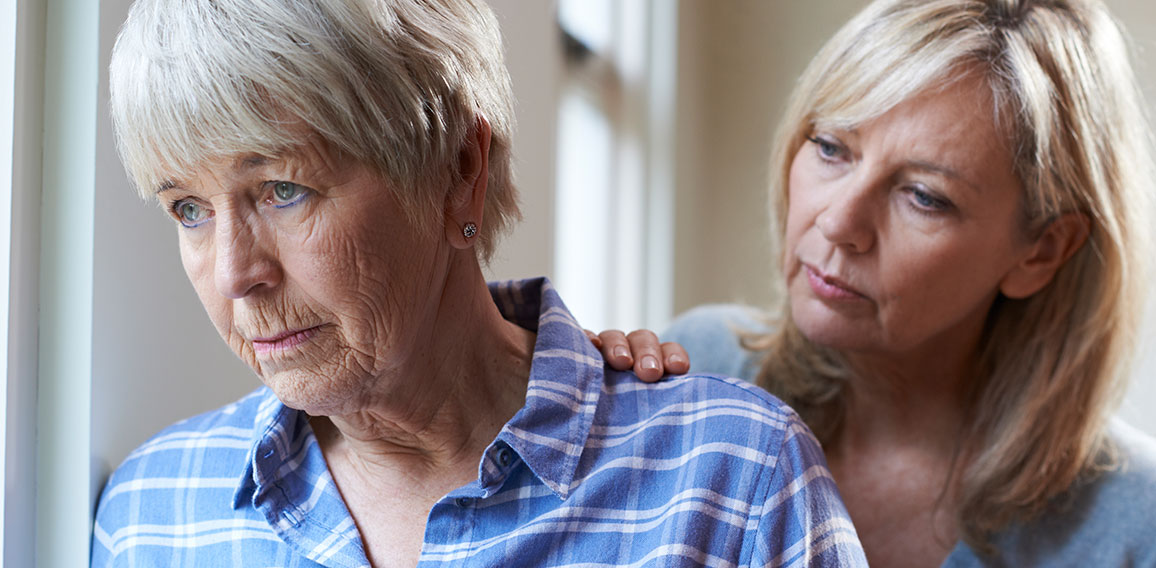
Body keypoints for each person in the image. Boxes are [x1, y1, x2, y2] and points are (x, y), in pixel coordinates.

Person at [90, 0, 868, 566]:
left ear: (460, 170)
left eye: (283, 189)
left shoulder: (734, 475)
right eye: (188, 209)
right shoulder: (153, 511)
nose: (235, 275)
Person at [594, 0, 1156, 566]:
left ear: (1042, 251)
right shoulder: (694, 364)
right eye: (832, 148)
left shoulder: (1136, 520)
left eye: (924, 196)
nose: (838, 223)